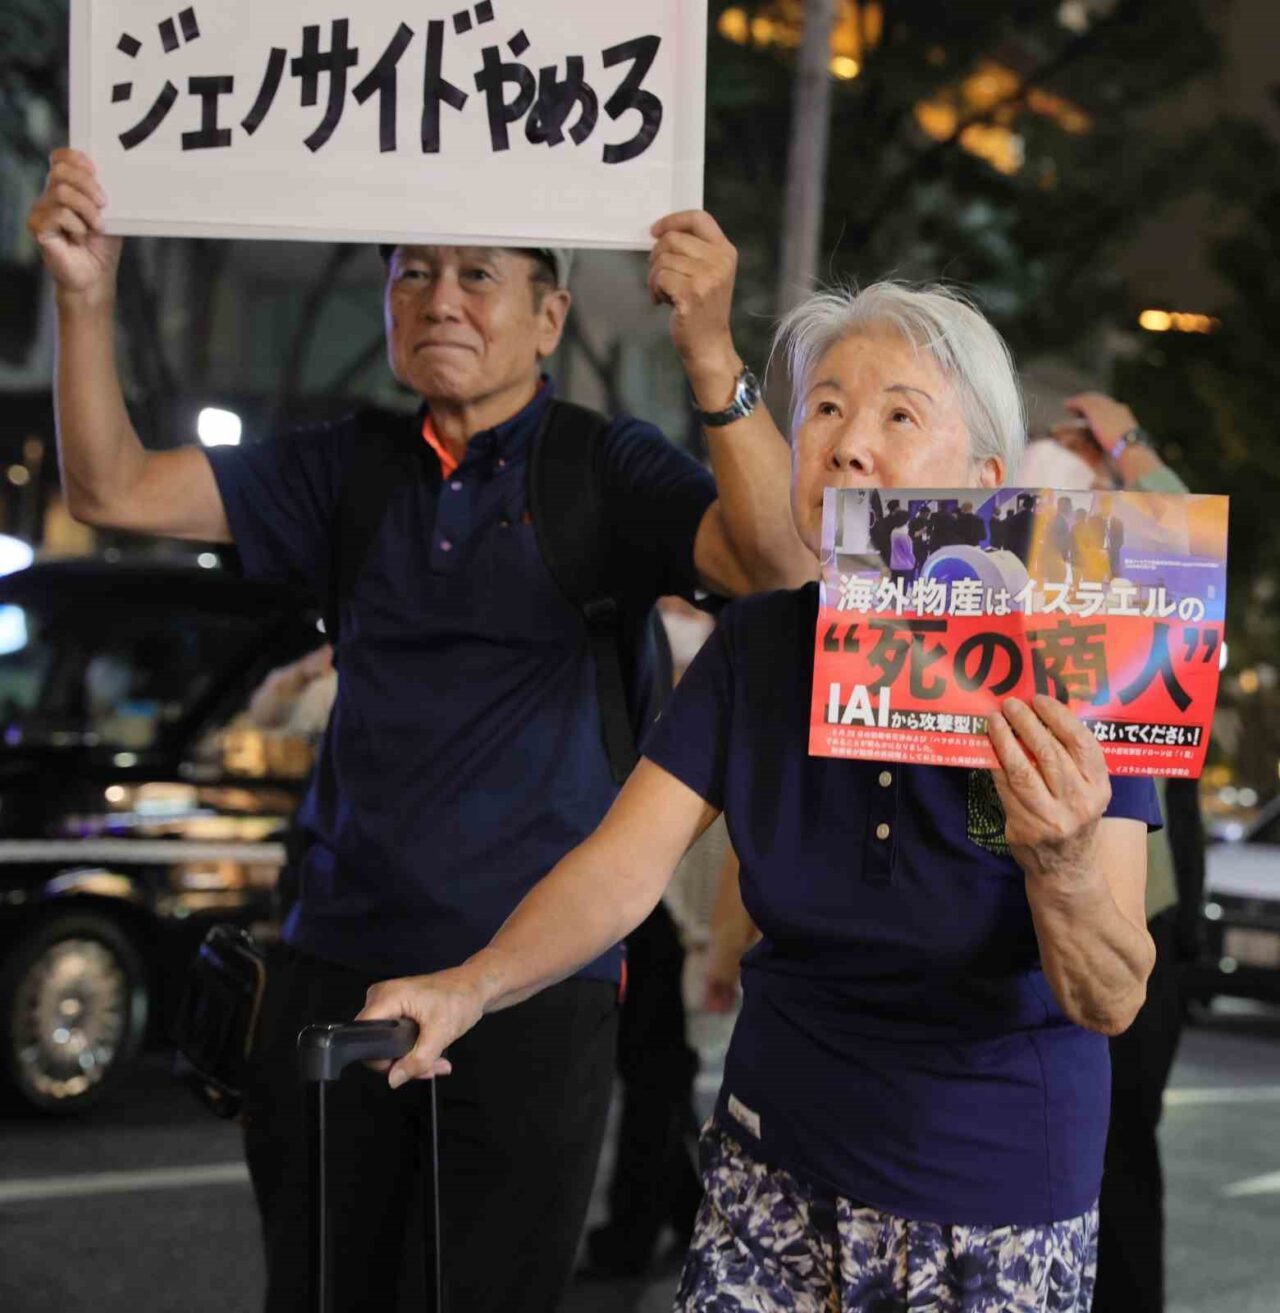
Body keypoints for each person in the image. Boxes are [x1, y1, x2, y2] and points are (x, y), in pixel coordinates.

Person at [27, 149, 813, 1313]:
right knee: (319, 1288)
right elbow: (113, 489)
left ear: (550, 317)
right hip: (330, 971)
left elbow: (779, 565)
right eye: (413, 273)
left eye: (478, 275)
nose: (441, 298)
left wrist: (708, 351)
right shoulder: (344, 466)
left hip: (531, 987)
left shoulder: (602, 466)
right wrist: (85, 295)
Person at [359, 283, 1162, 1312]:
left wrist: (1059, 861)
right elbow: (619, 867)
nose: (847, 445)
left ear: (986, 480)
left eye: (899, 415)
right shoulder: (757, 644)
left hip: (989, 1199)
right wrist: (470, 985)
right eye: (824, 408)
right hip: (767, 1169)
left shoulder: (1080, 658)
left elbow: (1110, 997)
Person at [1042, 391, 1207, 1313]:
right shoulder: (1005, 586)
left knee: (1120, 1159)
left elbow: (1187, 536)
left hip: (1137, 919)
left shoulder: (1139, 606)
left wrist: (1127, 442)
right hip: (1024, 920)